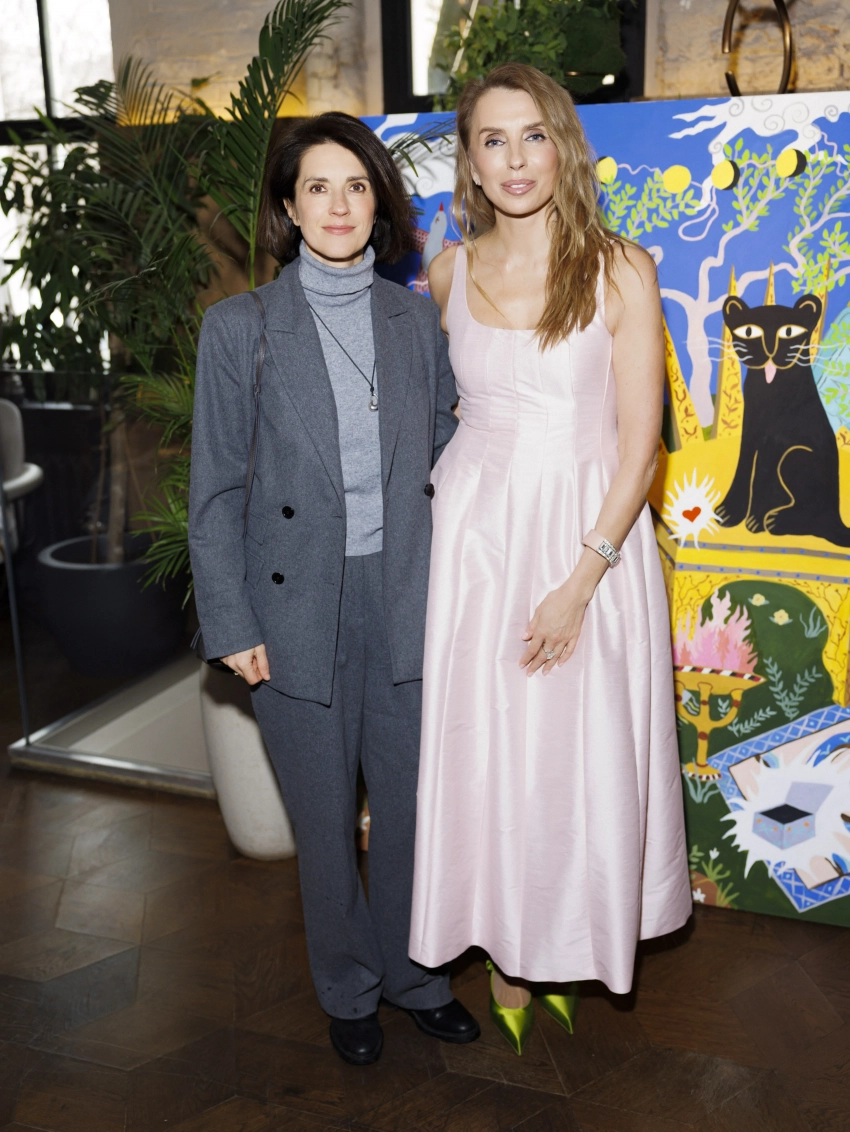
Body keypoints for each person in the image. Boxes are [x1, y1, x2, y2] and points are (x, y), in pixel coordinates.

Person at [409, 64, 692, 1055]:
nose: (515, 159)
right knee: (486, 751)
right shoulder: (447, 272)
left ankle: (568, 940)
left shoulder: (620, 268)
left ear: (563, 147)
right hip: (473, 546)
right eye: (493, 140)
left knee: (576, 755)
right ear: (471, 160)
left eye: (532, 135)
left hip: (588, 543)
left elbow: (641, 445)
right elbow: (438, 413)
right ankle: (506, 954)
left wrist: (580, 581)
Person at [189, 112, 480, 1066]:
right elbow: (215, 491)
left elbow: (449, 451)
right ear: (289, 205)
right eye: (318, 186)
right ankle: (349, 987)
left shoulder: (414, 320)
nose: (340, 205)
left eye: (356, 185)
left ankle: (414, 976)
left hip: (406, 594)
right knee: (323, 823)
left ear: (378, 202)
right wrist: (231, 621)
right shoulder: (241, 329)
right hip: (292, 607)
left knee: (407, 811)